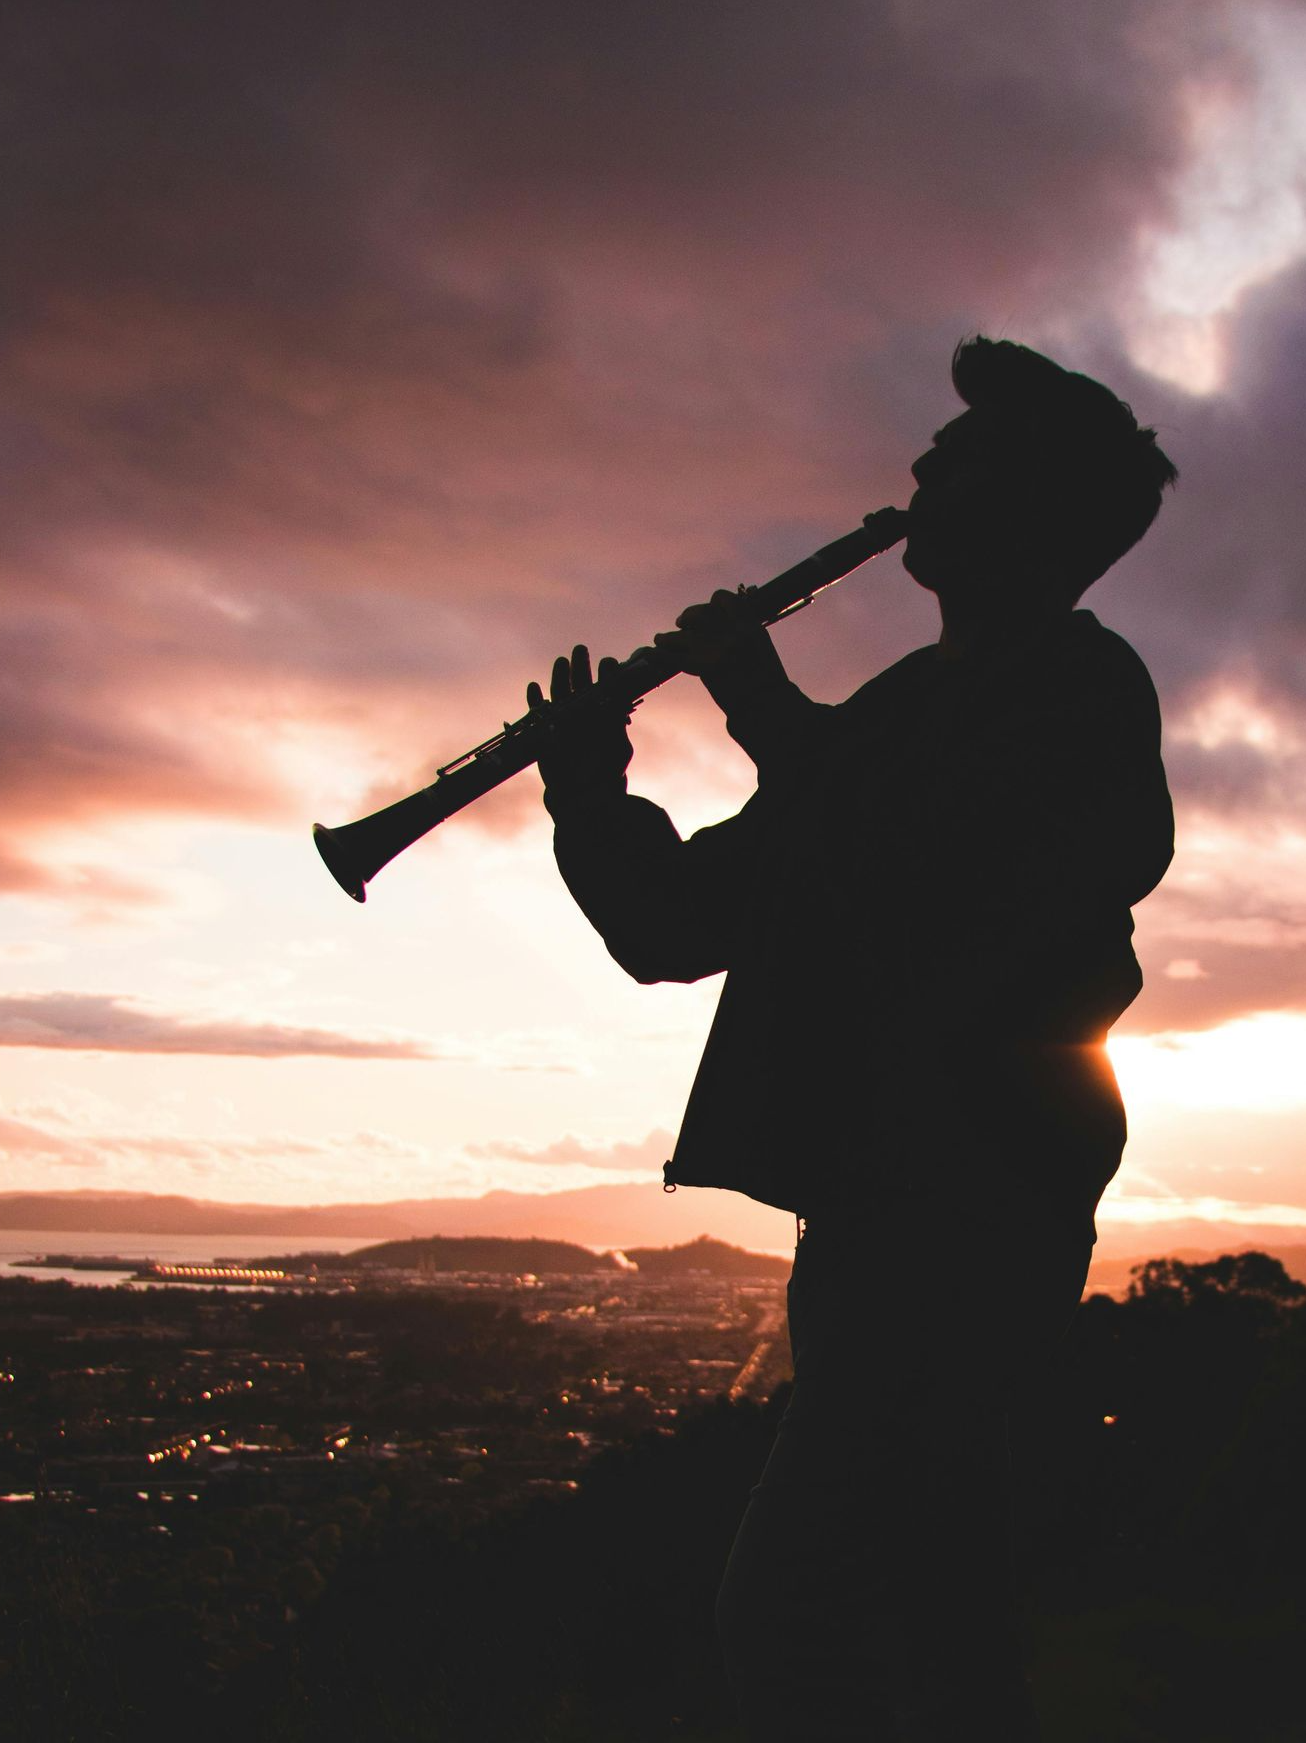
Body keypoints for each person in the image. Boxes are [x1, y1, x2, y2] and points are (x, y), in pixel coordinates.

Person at [531, 338, 1176, 1740]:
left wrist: (763, 708)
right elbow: (682, 922)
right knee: (944, 1626)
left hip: (973, 1212)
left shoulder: (1084, 689)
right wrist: (592, 801)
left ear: (1036, 510)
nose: (925, 468)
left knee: (790, 1607)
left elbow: (966, 867)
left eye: (966, 455)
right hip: (877, 1209)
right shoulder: (894, 715)